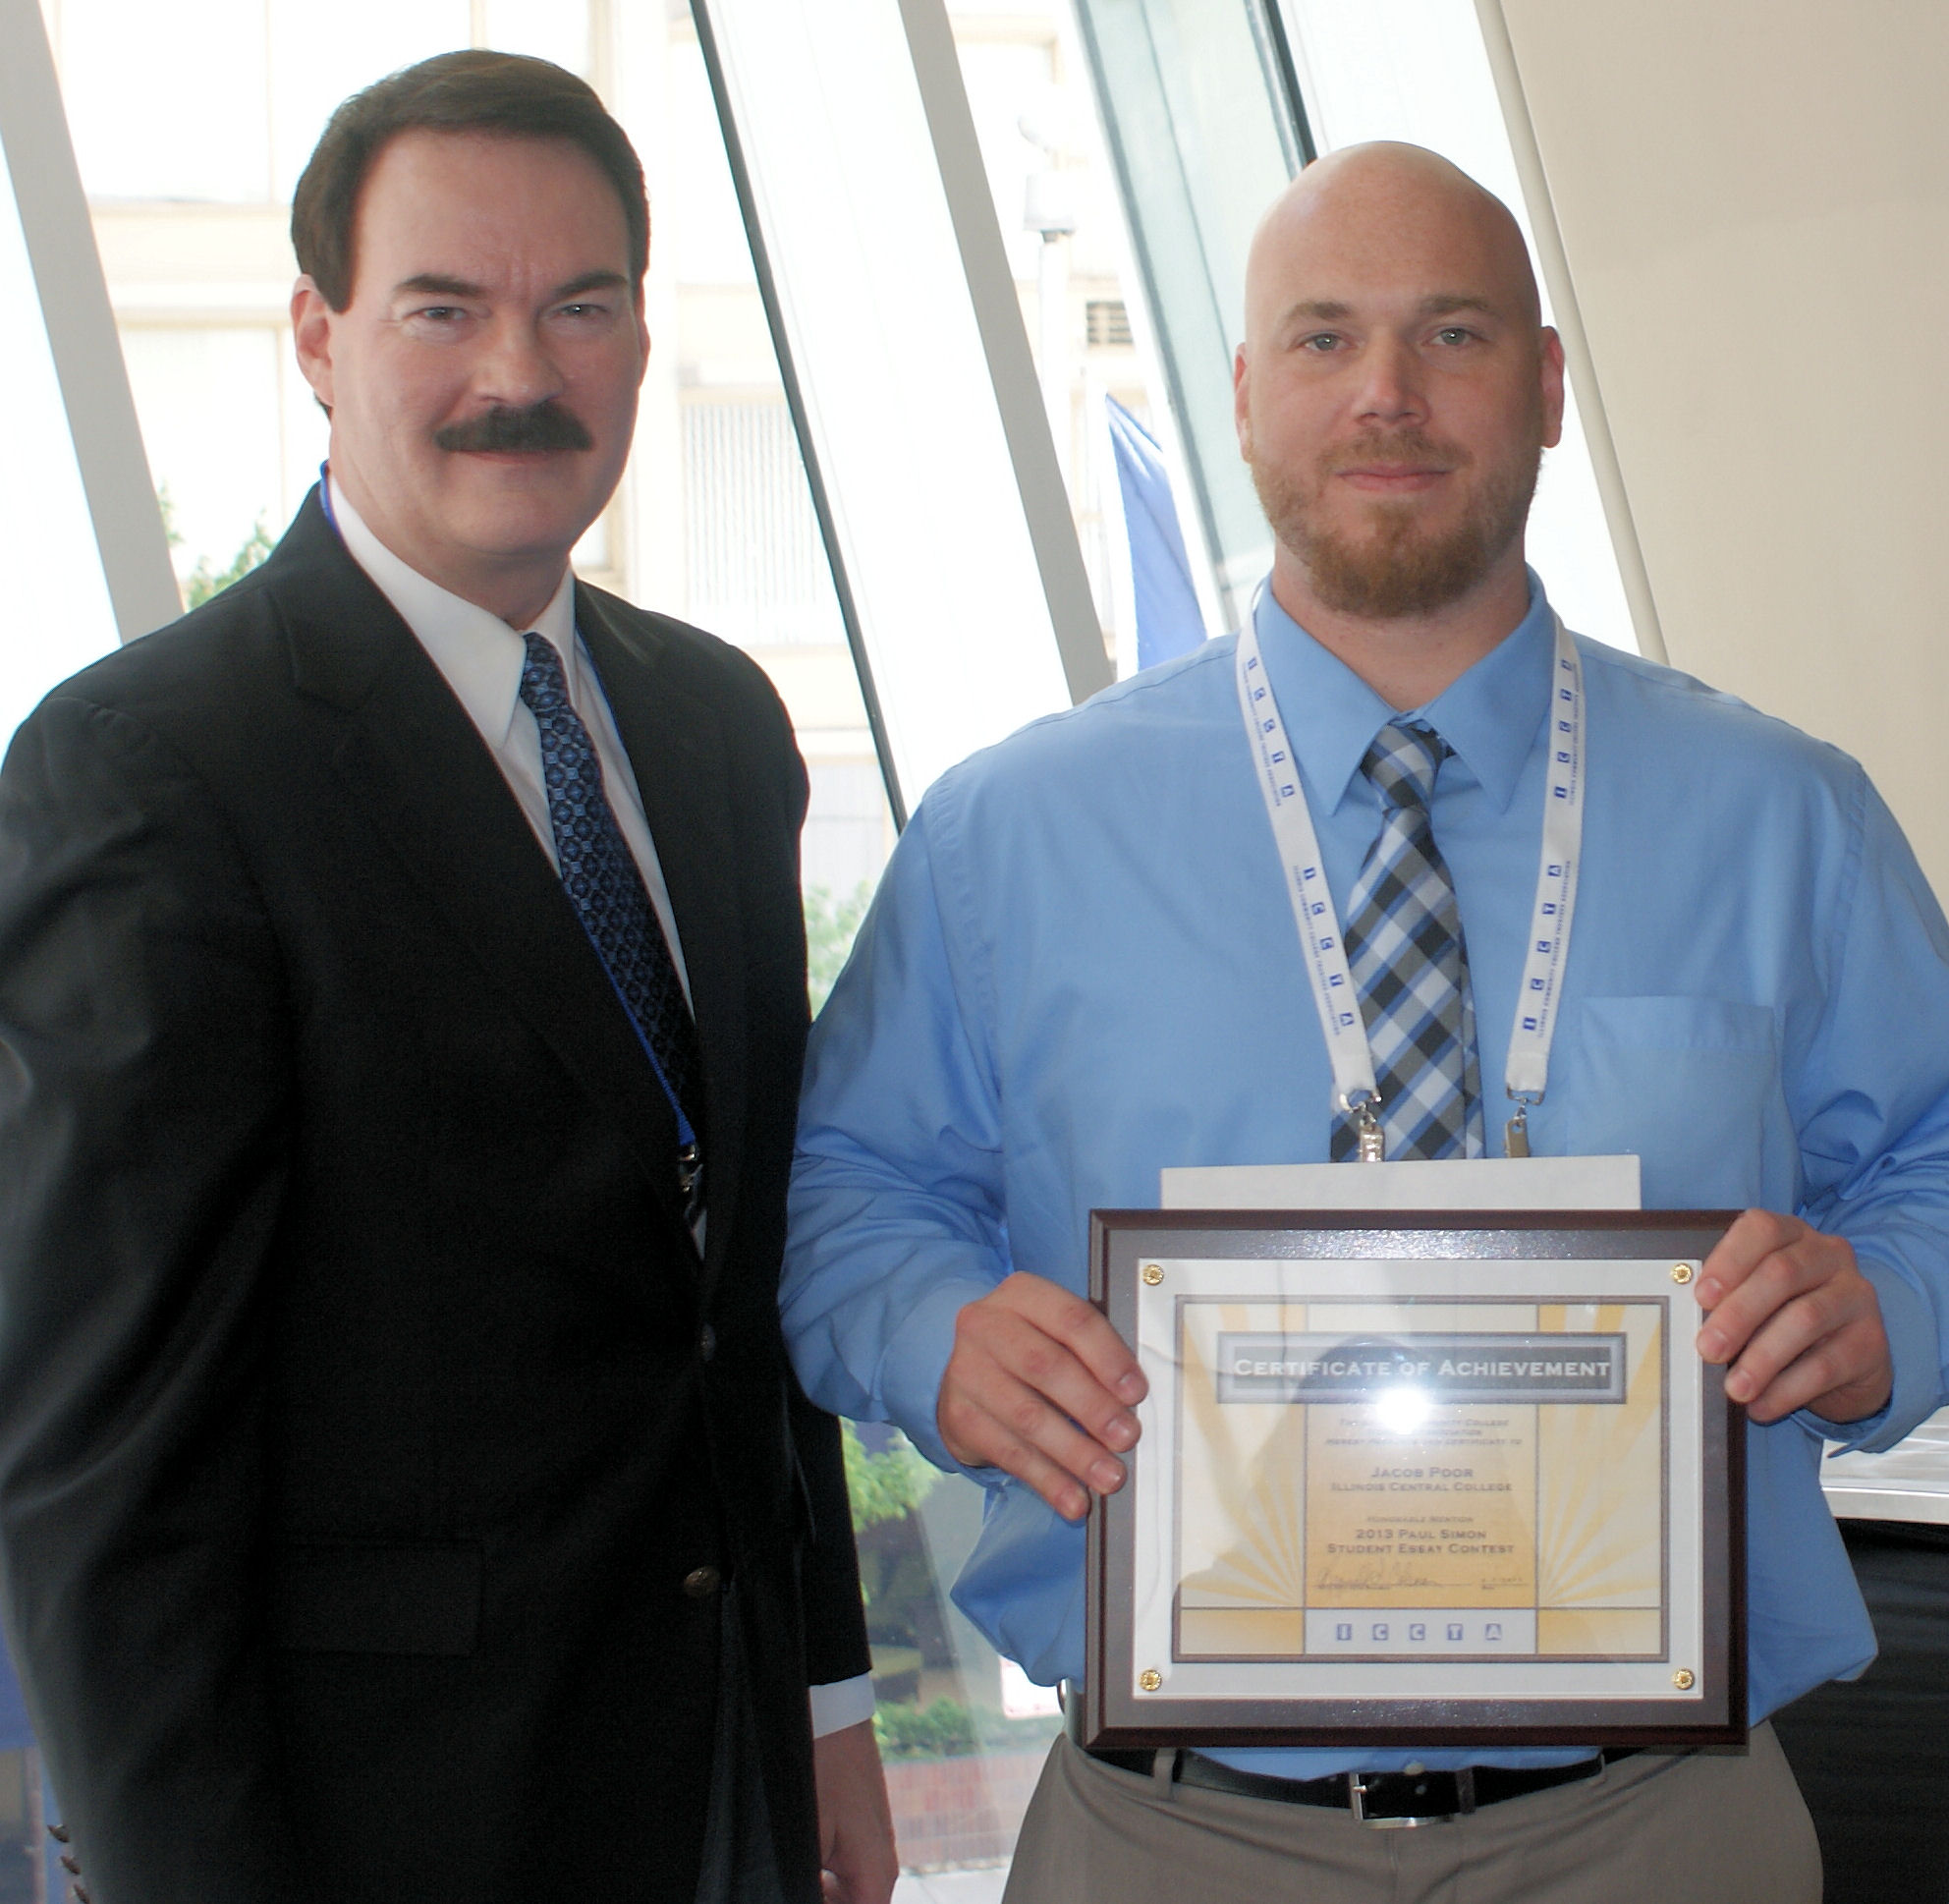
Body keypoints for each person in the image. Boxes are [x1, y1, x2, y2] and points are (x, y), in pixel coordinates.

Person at [781, 141, 1949, 1903]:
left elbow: (1939, 1153)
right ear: (1243, 397)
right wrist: (935, 1332)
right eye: (1324, 340)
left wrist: (1892, 1308)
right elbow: (844, 1189)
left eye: (1454, 334)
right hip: (1168, 1835)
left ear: (1548, 389)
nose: (1388, 395)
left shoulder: (1787, 816)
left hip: (1663, 1833)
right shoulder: (1006, 837)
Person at [0, 50, 893, 1904]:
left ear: (644, 338)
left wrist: (822, 1700)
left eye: (581, 305)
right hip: (379, 1824)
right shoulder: (153, 771)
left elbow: (733, 1276)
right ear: (318, 338)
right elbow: (106, 1465)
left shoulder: (717, 726)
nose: (519, 373)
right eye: (443, 309)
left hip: (724, 1777)